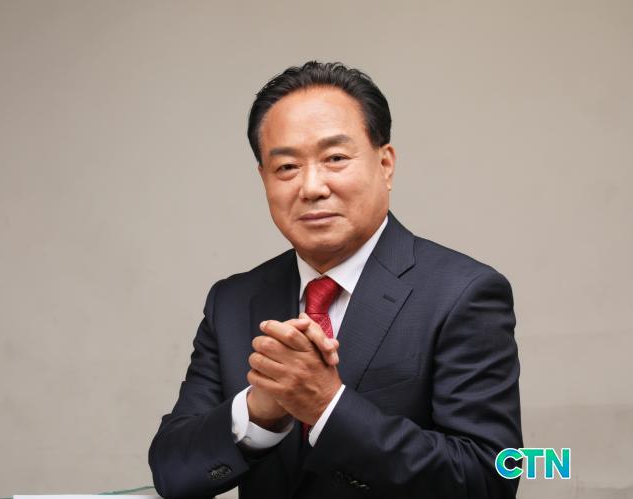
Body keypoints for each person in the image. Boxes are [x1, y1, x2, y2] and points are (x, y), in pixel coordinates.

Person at [148, 61, 522, 499]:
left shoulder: (463, 293)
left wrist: (328, 406)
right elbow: (172, 473)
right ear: (264, 179)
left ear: (385, 164)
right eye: (287, 167)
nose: (311, 187)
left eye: (335, 159)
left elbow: (490, 479)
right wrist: (257, 412)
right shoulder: (232, 301)